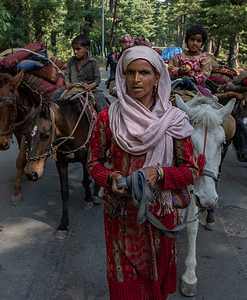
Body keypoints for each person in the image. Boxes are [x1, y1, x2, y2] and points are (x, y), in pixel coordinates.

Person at [87, 46, 202, 300]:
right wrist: (110, 178)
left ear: (158, 77)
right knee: (123, 285)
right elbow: (93, 162)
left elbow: (191, 170)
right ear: (122, 76)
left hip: (160, 219)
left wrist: (160, 173)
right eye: (130, 72)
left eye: (144, 72)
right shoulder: (108, 118)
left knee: (156, 284)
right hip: (120, 219)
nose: (137, 79)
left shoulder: (175, 120)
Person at [50, 35, 107, 113]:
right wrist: (66, 83)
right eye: (74, 49)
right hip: (73, 88)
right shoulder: (71, 61)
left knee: (101, 99)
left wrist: (90, 86)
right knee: (54, 95)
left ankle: (103, 123)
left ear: (87, 49)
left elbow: (97, 79)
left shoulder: (93, 62)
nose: (75, 52)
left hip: (90, 90)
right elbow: (66, 75)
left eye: (78, 49)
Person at [168, 25, 213, 97]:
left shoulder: (205, 59)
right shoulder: (178, 57)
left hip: (197, 86)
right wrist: (179, 71)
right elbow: (170, 69)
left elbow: (205, 73)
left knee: (209, 99)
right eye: (192, 39)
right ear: (187, 40)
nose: (195, 43)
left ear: (202, 44)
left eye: (198, 41)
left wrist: (193, 79)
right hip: (179, 85)